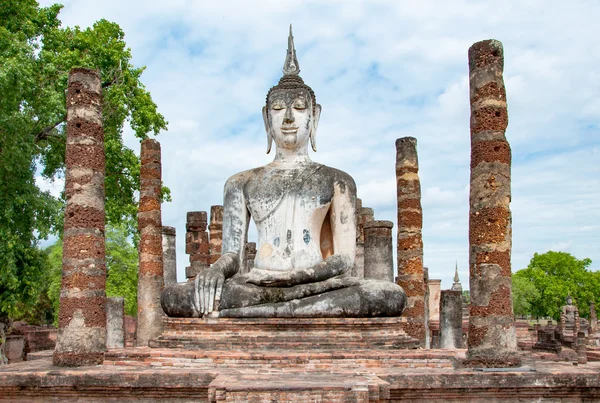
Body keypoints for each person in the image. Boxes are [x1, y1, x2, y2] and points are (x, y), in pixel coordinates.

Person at [161, 26, 406, 318]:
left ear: (314, 117)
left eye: (300, 108)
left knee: (387, 295)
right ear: (267, 118)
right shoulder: (240, 183)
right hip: (257, 283)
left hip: (317, 283)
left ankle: (259, 312)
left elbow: (343, 260)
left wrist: (294, 279)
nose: (289, 118)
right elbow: (233, 257)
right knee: (175, 296)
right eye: (279, 109)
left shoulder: (338, 181)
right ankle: (285, 309)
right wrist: (215, 271)